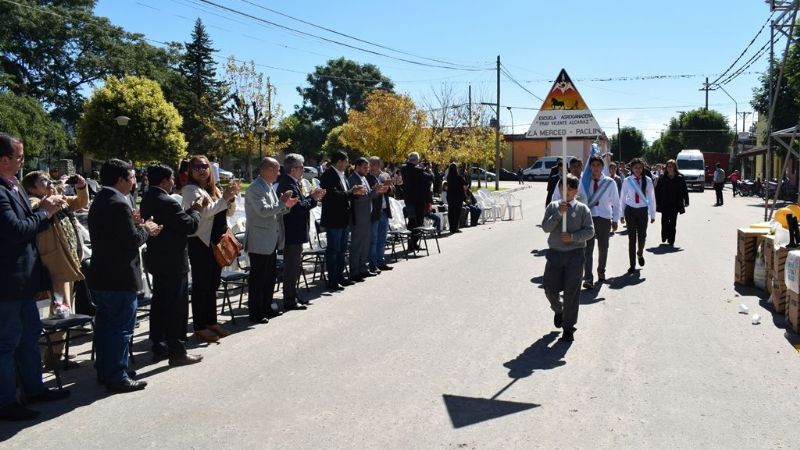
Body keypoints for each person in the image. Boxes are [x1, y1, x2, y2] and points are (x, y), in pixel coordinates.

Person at [0, 134, 70, 420]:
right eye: (19, 157)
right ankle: (6, 402)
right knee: (6, 343)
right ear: (4, 160)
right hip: (7, 282)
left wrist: (47, 210)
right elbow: (15, 230)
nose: (22, 162)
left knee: (29, 336)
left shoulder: (13, 186)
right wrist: (44, 210)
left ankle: (34, 388)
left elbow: (28, 225)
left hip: (25, 280)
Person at [89, 158, 162, 393]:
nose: (134, 182)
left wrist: (134, 224)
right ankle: (117, 375)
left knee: (106, 326)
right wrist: (146, 230)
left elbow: (116, 235)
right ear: (120, 179)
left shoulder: (102, 199)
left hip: (103, 275)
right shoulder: (117, 203)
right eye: (131, 177)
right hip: (119, 276)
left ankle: (106, 370)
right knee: (120, 327)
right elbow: (131, 241)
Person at [21, 170, 89, 369]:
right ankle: (54, 358)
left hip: (68, 261)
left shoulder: (55, 198)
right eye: (43, 181)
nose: (49, 182)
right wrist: (55, 194)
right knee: (62, 309)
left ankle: (57, 354)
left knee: (65, 308)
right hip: (55, 265)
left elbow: (80, 202)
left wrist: (81, 187)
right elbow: (38, 209)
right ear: (32, 188)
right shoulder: (34, 201)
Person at [140, 164, 204, 366]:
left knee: (159, 304)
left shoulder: (148, 198)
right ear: (165, 180)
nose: (174, 182)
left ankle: (159, 346)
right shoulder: (167, 201)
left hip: (158, 259)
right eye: (172, 179)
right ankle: (177, 350)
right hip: (174, 261)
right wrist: (195, 210)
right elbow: (189, 226)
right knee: (176, 306)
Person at [182, 155, 238, 341]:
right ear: (191, 170)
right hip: (201, 243)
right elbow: (206, 212)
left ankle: (211, 321)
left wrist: (230, 199)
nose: (201, 169)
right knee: (201, 286)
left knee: (213, 285)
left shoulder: (213, 189)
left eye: (205, 166)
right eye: (196, 166)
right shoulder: (190, 190)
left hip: (217, 242)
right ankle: (199, 326)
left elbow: (228, 211)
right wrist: (224, 198)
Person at [541, 174, 594, 342]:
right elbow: (546, 227)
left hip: (575, 255)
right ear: (559, 189)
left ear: (576, 190)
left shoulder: (582, 209)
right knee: (550, 289)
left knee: (572, 293)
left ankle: (568, 328)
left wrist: (573, 236)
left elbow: (590, 231)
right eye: (564, 188)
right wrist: (558, 213)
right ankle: (559, 310)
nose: (567, 191)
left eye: (571, 188)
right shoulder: (553, 206)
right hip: (555, 254)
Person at [245, 157, 296, 322]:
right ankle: (256, 312)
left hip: (270, 239)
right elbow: (263, 211)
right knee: (258, 279)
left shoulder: (267, 186)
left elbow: (275, 210)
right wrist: (282, 203)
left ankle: (267, 307)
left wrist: (286, 206)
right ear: (266, 170)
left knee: (269, 277)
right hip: (259, 240)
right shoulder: (255, 188)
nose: (279, 173)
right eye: (276, 169)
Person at [276, 154, 325, 309]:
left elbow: (301, 204)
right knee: (291, 267)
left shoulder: (292, 182)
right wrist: (313, 198)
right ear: (293, 169)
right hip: (292, 231)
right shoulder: (287, 184)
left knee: (295, 266)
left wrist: (311, 198)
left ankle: (293, 295)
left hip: (296, 230)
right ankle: (289, 300)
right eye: (302, 166)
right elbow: (298, 208)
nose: (304, 169)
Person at [320, 151, 366, 291]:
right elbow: (332, 195)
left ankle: (340, 277)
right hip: (334, 218)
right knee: (333, 250)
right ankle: (333, 280)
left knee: (341, 250)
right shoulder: (328, 175)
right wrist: (351, 192)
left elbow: (345, 195)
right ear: (339, 161)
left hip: (344, 218)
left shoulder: (342, 175)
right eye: (346, 161)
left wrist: (355, 193)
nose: (348, 164)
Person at [580, 156, 620, 288]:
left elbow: (616, 203)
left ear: (603, 167)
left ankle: (601, 271)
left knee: (603, 248)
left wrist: (615, 220)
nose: (595, 168)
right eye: (593, 165)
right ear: (590, 167)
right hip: (589, 219)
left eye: (598, 165)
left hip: (604, 219)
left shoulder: (610, 182)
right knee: (588, 249)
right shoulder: (585, 182)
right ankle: (588, 278)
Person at [348, 157, 387, 281]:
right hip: (358, 216)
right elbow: (359, 199)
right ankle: (355, 272)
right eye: (365, 167)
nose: (367, 170)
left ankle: (363, 269)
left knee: (365, 244)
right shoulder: (352, 179)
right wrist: (373, 192)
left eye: (368, 168)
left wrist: (378, 191)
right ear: (357, 166)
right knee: (357, 245)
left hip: (367, 216)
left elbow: (369, 196)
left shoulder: (364, 178)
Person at [619, 158, 656, 273]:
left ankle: (640, 253)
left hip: (642, 211)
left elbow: (651, 198)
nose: (638, 170)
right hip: (630, 211)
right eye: (636, 167)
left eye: (640, 167)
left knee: (642, 236)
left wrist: (653, 214)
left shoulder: (648, 180)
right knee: (632, 239)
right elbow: (622, 198)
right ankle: (632, 264)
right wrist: (621, 214)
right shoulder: (627, 180)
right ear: (631, 169)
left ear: (643, 168)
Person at [400, 152, 433, 251]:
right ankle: (413, 243)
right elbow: (430, 178)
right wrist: (429, 171)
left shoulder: (404, 169)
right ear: (416, 160)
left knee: (411, 222)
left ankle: (412, 244)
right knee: (418, 222)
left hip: (408, 199)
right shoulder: (418, 170)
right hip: (418, 200)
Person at [366, 156, 393, 272]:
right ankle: (372, 263)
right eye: (369, 165)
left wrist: (389, 189)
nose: (369, 167)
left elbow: (393, 190)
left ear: (377, 165)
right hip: (373, 211)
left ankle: (380, 261)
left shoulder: (385, 175)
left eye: (372, 165)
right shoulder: (367, 177)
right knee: (373, 238)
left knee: (382, 238)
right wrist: (378, 188)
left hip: (384, 210)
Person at [655, 159, 689, 247]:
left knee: (673, 223)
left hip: (675, 204)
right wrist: (656, 202)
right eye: (668, 166)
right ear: (666, 168)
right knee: (664, 221)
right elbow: (657, 191)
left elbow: (684, 190)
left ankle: (671, 239)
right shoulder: (662, 178)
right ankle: (664, 235)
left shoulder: (680, 178)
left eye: (672, 166)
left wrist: (686, 200)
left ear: (675, 167)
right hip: (665, 203)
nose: (670, 168)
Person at [446, 162, 467, 234]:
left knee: (451, 212)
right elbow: (465, 185)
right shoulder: (459, 177)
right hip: (458, 197)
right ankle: (455, 228)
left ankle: (451, 227)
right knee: (457, 213)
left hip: (450, 196)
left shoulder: (448, 178)